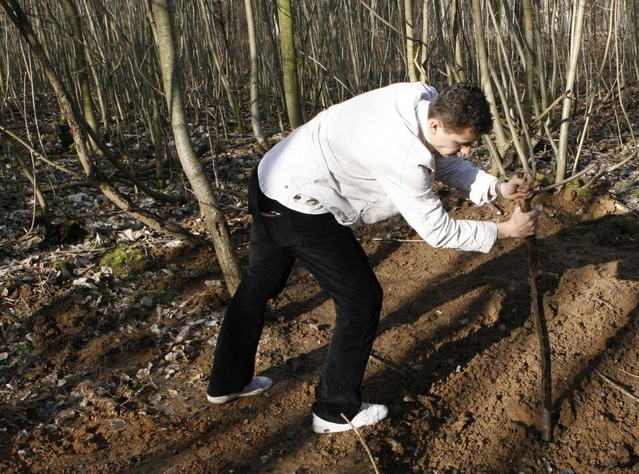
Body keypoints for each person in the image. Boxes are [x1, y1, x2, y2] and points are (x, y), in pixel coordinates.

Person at [205, 81, 540, 434]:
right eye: (463, 143)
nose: (468, 151)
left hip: (270, 177)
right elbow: (438, 231)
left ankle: (227, 383)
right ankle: (334, 409)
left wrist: (496, 188)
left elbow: (443, 159)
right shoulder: (402, 158)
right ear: (437, 125)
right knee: (361, 299)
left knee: (259, 285)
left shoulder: (422, 98)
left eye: (471, 143)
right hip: (296, 203)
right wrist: (504, 231)